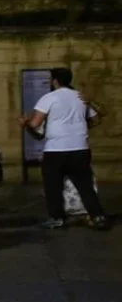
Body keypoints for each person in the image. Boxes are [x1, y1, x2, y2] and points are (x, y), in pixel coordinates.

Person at [20, 67, 107, 230]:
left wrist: (25, 123)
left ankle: (56, 218)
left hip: (56, 150)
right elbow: (96, 120)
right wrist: (78, 128)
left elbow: (35, 124)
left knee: (53, 186)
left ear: (54, 81)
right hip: (80, 148)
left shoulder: (48, 98)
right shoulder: (81, 97)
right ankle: (97, 216)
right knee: (85, 185)